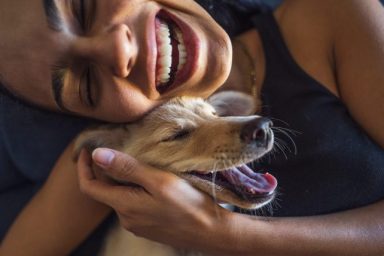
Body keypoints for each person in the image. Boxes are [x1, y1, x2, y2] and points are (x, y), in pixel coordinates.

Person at [0, 0, 383, 255]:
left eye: (83, 7)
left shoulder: (333, 18)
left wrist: (222, 233)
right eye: (85, 84)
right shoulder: (118, 154)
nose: (118, 49)